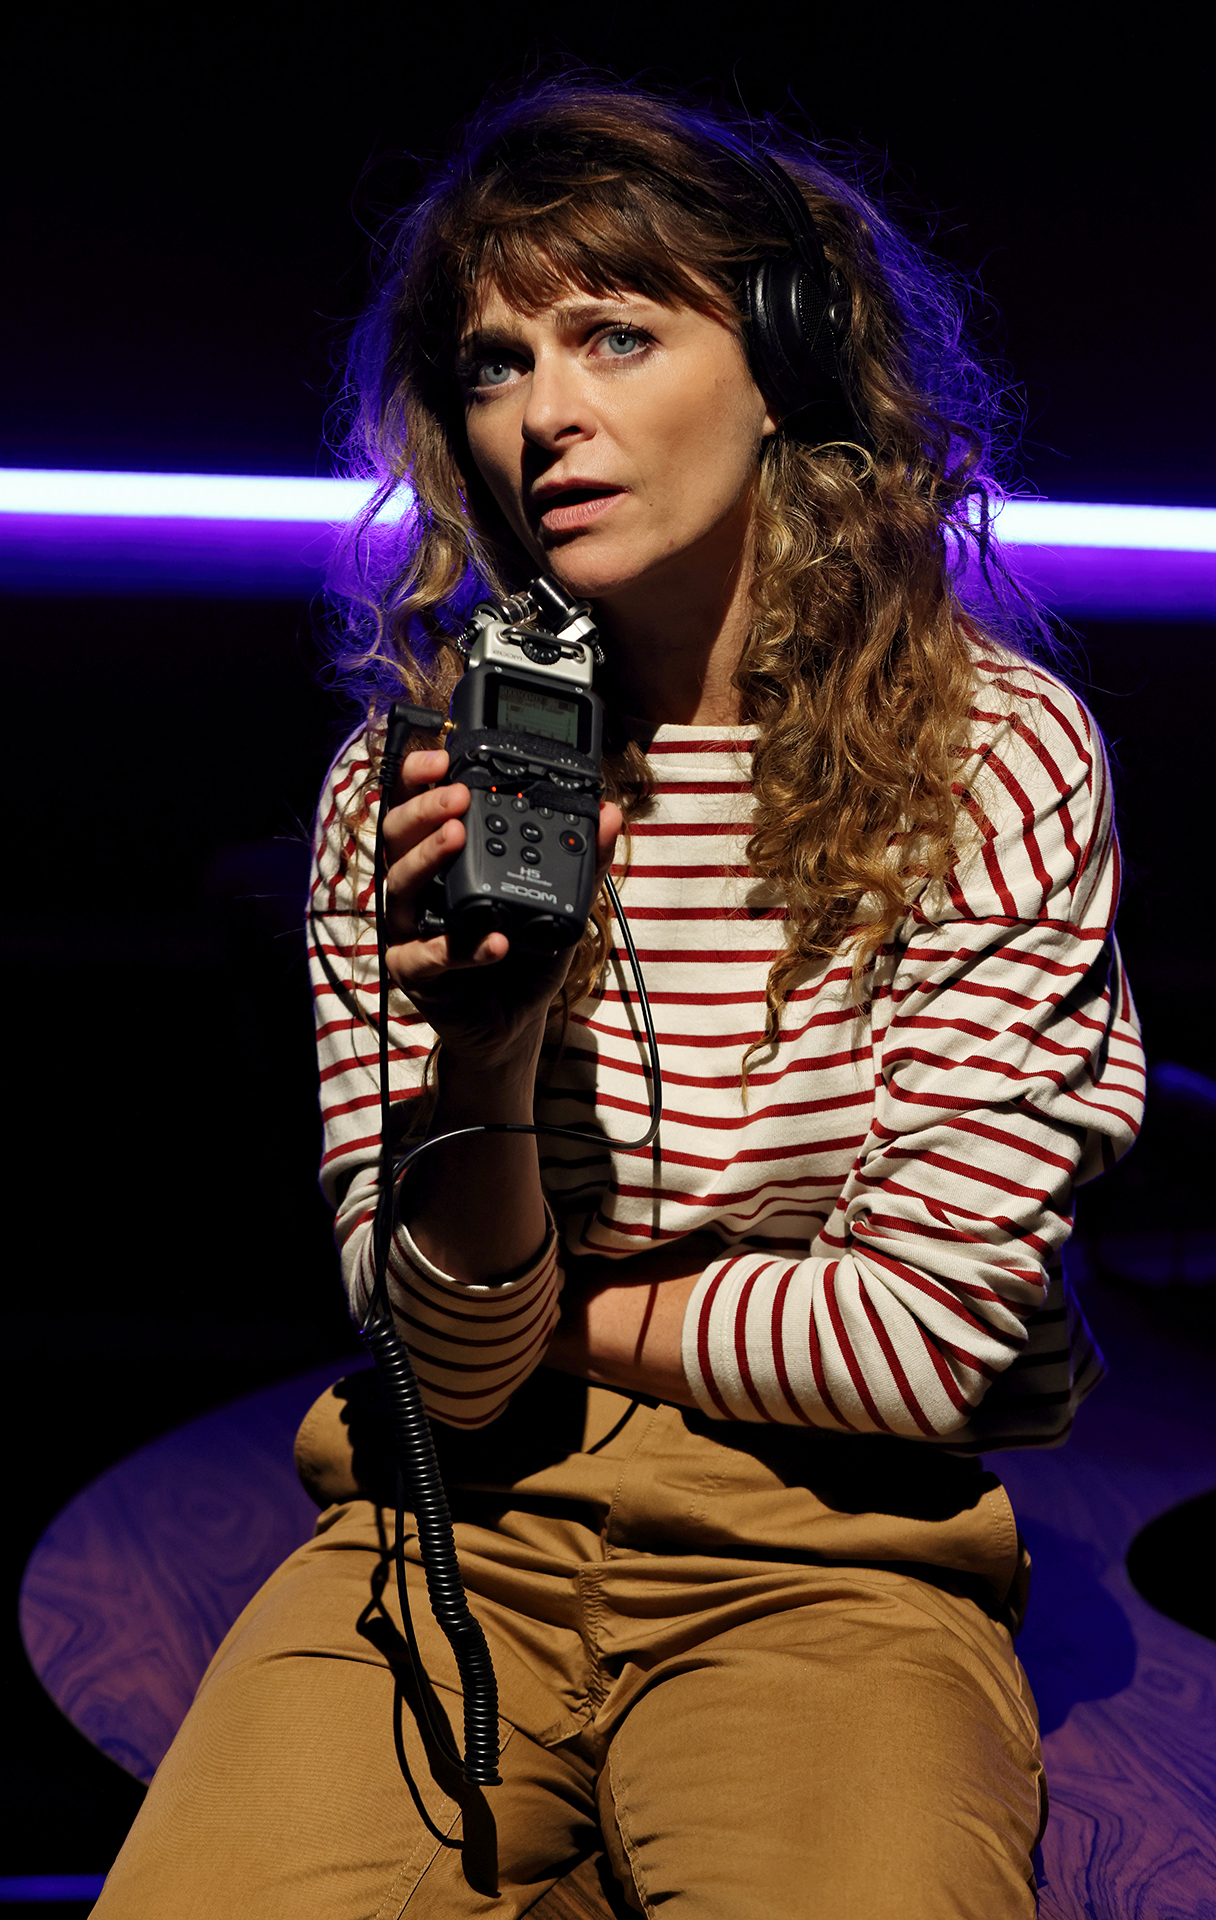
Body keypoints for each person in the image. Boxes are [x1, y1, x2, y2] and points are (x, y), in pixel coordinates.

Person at [95, 81, 1144, 1920]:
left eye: (617, 334)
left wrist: (544, 1304)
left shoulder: (993, 751)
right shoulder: (408, 786)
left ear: (790, 369)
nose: (547, 418)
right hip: (446, 1527)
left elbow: (933, 1348)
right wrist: (490, 1058)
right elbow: (437, 1368)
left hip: (830, 1549)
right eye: (497, 365)